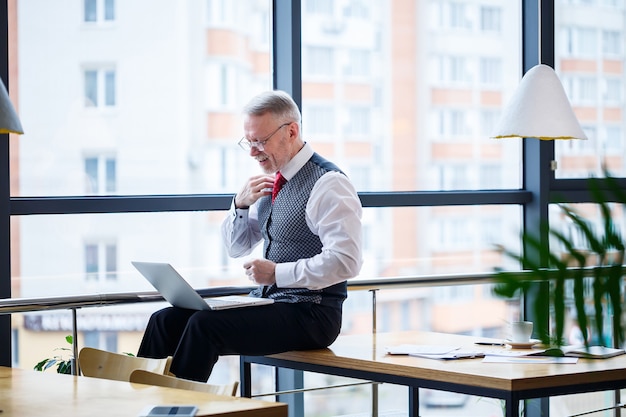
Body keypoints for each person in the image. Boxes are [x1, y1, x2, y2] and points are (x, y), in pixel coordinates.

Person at [137, 90, 363, 382]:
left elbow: (346, 262)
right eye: (249, 142)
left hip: (313, 314)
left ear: (291, 131)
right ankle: (139, 404)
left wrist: (277, 274)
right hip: (269, 303)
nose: (253, 151)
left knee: (204, 326)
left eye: (260, 141)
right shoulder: (272, 183)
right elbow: (236, 246)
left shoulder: (328, 184)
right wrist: (240, 205)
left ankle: (175, 412)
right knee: (164, 320)